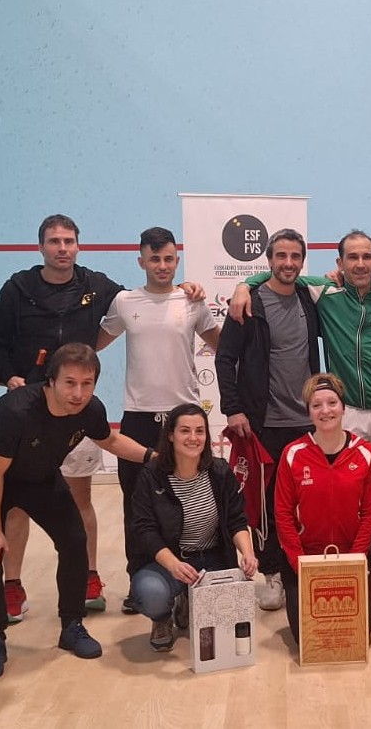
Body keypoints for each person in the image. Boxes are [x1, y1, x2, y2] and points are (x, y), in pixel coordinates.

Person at [0, 343, 154, 680]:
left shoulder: (89, 409)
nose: (78, 393)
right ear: (50, 381)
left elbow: (110, 441)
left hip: (40, 478)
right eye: (69, 383)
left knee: (74, 539)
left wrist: (153, 457)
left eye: (87, 383)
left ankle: (72, 625)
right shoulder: (16, 412)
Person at [0, 214, 123, 618]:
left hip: (74, 414)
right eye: (54, 241)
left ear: (78, 246)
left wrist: (185, 288)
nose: (62, 248)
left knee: (80, 496)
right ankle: (12, 584)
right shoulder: (17, 288)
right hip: (29, 412)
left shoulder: (95, 285)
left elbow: (136, 304)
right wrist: (11, 376)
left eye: (69, 241)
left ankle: (88, 576)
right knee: (16, 506)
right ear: (41, 247)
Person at [97, 227, 221, 613]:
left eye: (169, 258)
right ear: (141, 261)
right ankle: (141, 582)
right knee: (136, 506)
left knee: (192, 501)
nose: (162, 266)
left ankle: (191, 573)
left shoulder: (192, 302)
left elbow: (224, 345)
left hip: (184, 418)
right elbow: (92, 344)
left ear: (177, 259)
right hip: (137, 420)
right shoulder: (124, 302)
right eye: (155, 259)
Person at [216, 228, 321, 612]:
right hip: (264, 424)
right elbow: (225, 358)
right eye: (281, 256)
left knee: (304, 503)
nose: (288, 263)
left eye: (295, 256)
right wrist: (233, 407)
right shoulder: (250, 303)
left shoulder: (310, 300)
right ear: (269, 260)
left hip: (308, 422)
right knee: (267, 507)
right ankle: (273, 573)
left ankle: (304, 567)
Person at [231, 229, 371, 451]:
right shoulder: (325, 292)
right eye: (352, 257)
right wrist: (244, 286)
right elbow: (284, 273)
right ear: (340, 263)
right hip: (348, 411)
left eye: (367, 257)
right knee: (347, 484)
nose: (360, 264)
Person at [129, 403, 258, 652]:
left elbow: (236, 520)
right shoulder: (151, 475)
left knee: (230, 616)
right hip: (169, 560)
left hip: (212, 558)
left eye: (200, 431)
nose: (193, 438)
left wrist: (248, 553)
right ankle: (161, 618)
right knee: (151, 593)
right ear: (171, 435)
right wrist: (174, 565)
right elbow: (145, 531)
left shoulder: (219, 471)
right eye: (185, 431)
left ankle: (190, 599)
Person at [274, 373, 371, 644]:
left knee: (358, 637)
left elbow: (370, 513)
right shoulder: (292, 453)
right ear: (308, 411)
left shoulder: (366, 453)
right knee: (307, 638)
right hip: (306, 560)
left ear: (344, 407)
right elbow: (283, 515)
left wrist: (356, 560)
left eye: (332, 403)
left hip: (351, 557)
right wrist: (300, 564)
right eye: (316, 405)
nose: (325, 411)